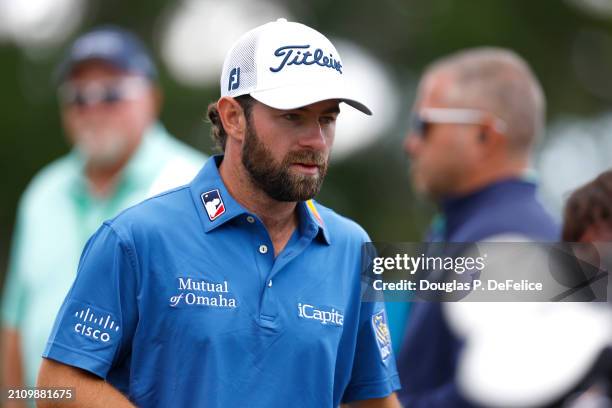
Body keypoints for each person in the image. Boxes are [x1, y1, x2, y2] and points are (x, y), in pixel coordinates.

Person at [36, 19, 401, 407]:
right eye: (292, 116)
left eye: (327, 119)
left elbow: (373, 399)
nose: (315, 140)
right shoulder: (136, 238)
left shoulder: (351, 247)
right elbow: (55, 386)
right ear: (233, 118)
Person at [0, 25, 206, 400]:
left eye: (111, 92)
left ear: (152, 98)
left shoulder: (195, 186)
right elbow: (14, 326)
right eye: (78, 96)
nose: (92, 107)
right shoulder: (42, 192)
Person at [396, 47, 559, 406]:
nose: (411, 144)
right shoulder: (459, 231)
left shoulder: (510, 242)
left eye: (424, 125)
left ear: (484, 134)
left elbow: (502, 396)